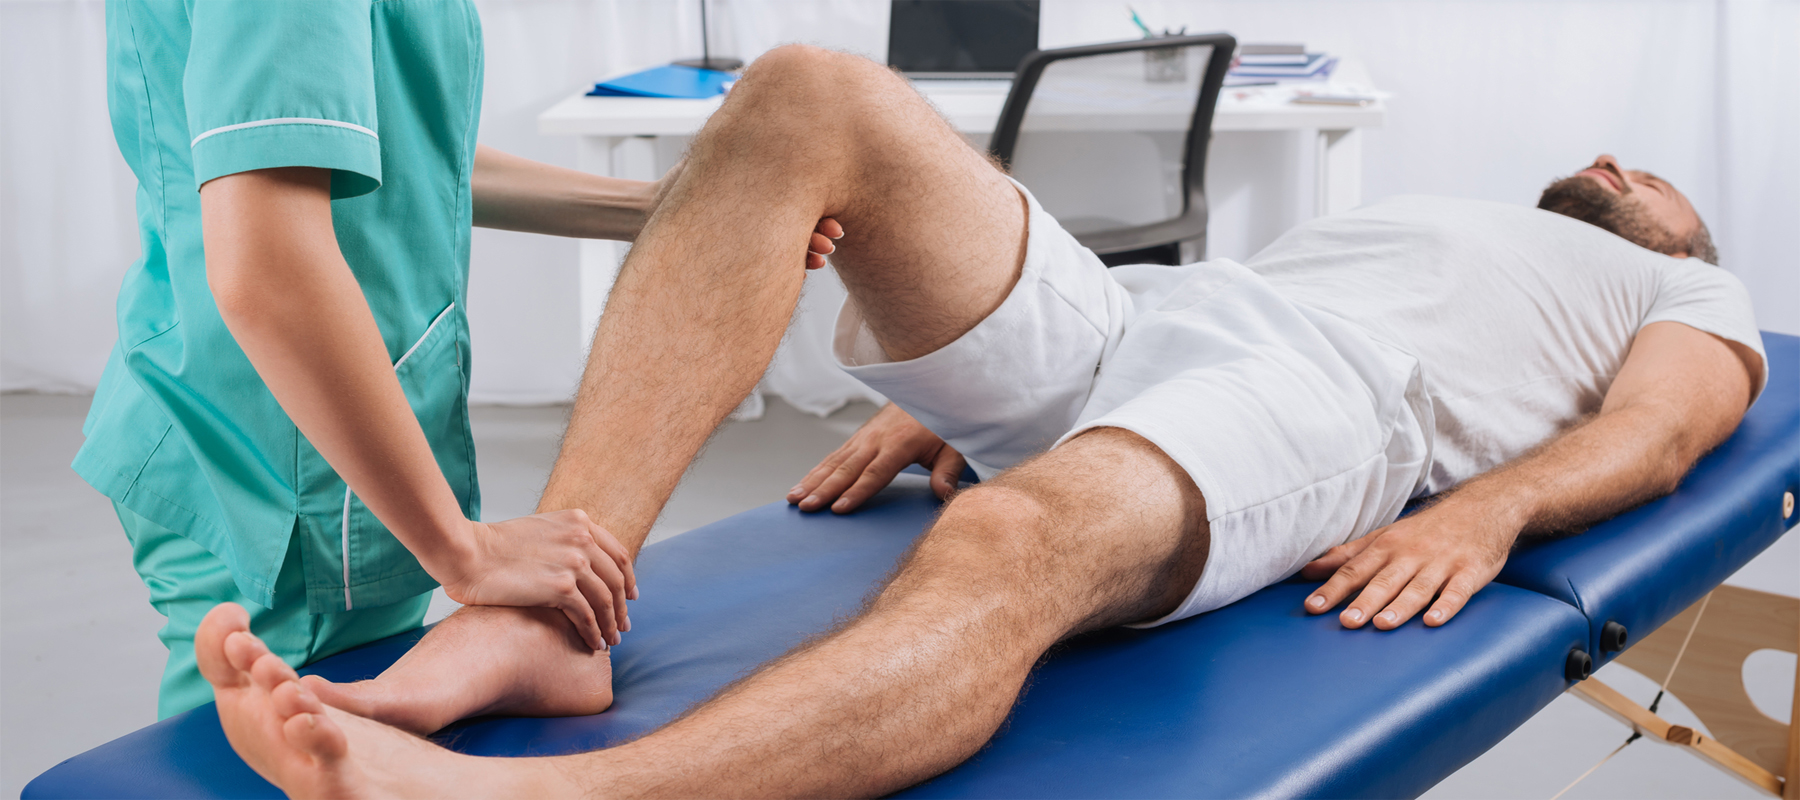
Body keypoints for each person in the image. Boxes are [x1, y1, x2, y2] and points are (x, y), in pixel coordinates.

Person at [190, 45, 1765, 798]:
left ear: (1682, 235)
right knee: (812, 95)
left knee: (1009, 532)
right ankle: (553, 612)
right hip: (1163, 326)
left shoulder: (1697, 301)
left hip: (1333, 402)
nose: (1617, 164)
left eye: (1650, 179)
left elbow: (1664, 438)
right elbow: (1195, 316)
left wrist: (1484, 512)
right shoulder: (1459, 214)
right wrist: (966, 393)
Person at [85, 0, 842, 719]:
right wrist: (462, 550)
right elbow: (267, 267)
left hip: (268, 420)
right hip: (277, 454)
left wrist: (648, 209)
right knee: (288, 745)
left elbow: (386, 146)